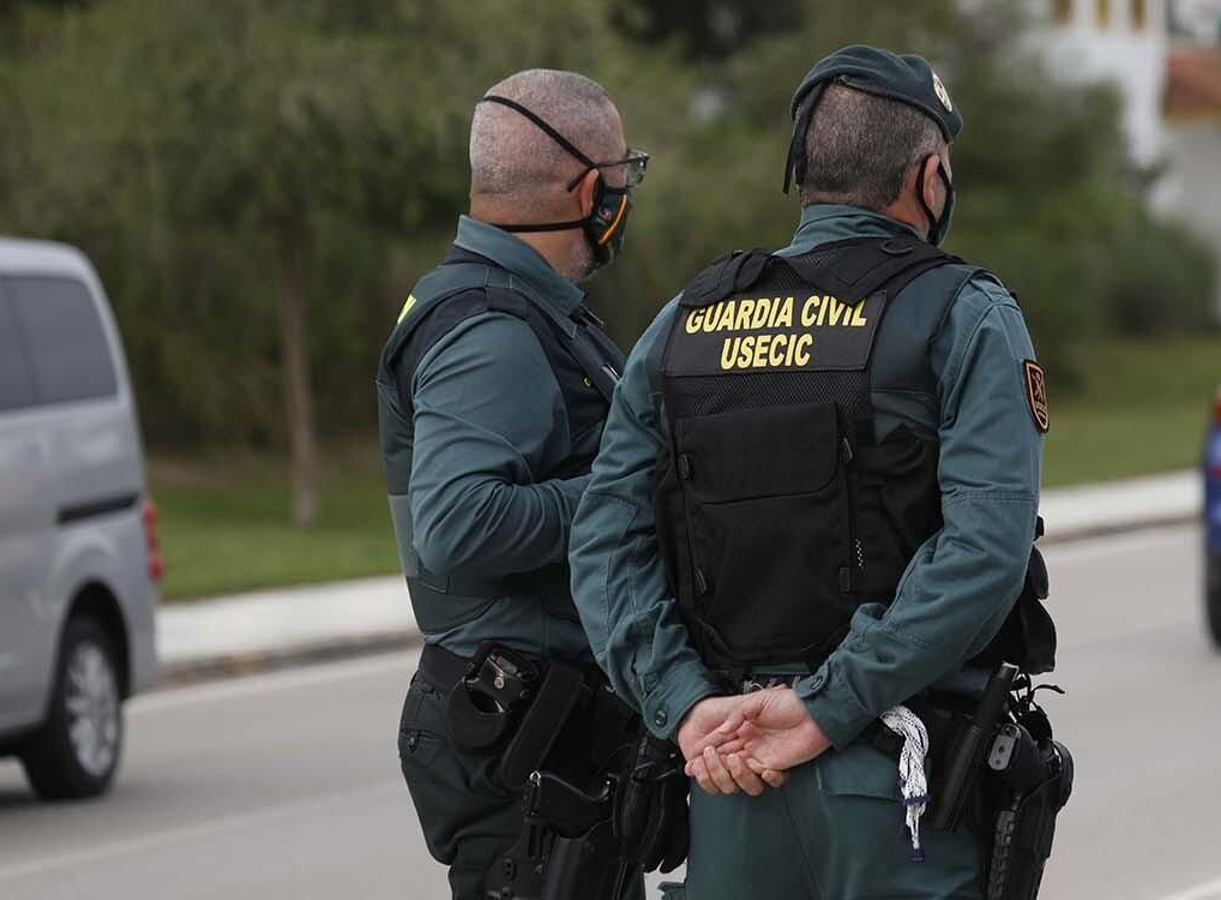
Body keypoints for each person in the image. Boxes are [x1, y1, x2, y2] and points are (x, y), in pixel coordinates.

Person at [570, 45, 1062, 899]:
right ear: (930, 175)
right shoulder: (967, 314)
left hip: (727, 777)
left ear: (802, 169)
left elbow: (605, 541)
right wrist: (822, 709)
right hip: (900, 786)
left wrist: (685, 708)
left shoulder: (687, 322)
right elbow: (986, 549)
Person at [376, 68, 648, 900]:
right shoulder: (491, 328)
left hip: (548, 726)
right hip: (522, 735)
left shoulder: (531, 305)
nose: (626, 195)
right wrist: (631, 498)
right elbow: (455, 525)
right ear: (587, 189)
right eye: (623, 176)